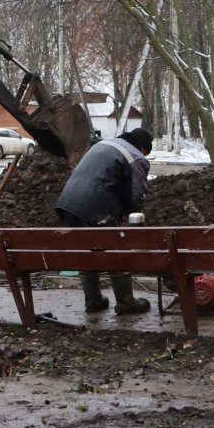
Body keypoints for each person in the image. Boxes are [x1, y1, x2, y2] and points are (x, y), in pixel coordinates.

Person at [55, 128, 154, 314]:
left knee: (87, 251)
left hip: (68, 203)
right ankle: (126, 302)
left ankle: (93, 300)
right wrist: (133, 217)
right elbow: (136, 194)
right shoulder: (136, 157)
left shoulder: (103, 144)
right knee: (117, 251)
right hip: (96, 207)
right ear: (142, 148)